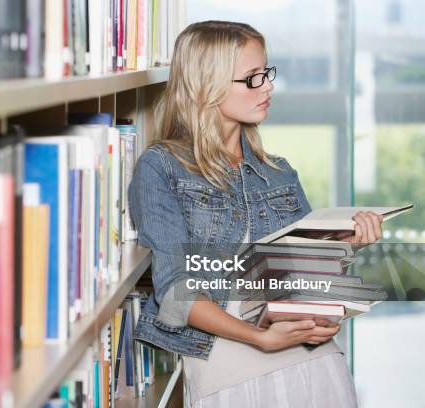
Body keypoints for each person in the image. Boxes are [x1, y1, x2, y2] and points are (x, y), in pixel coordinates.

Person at [128, 21, 383, 407]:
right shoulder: (162, 167)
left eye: (266, 73)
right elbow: (176, 293)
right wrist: (259, 338)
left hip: (317, 368)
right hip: (230, 380)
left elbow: (305, 286)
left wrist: (342, 248)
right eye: (252, 78)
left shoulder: (278, 171)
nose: (267, 86)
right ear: (206, 86)